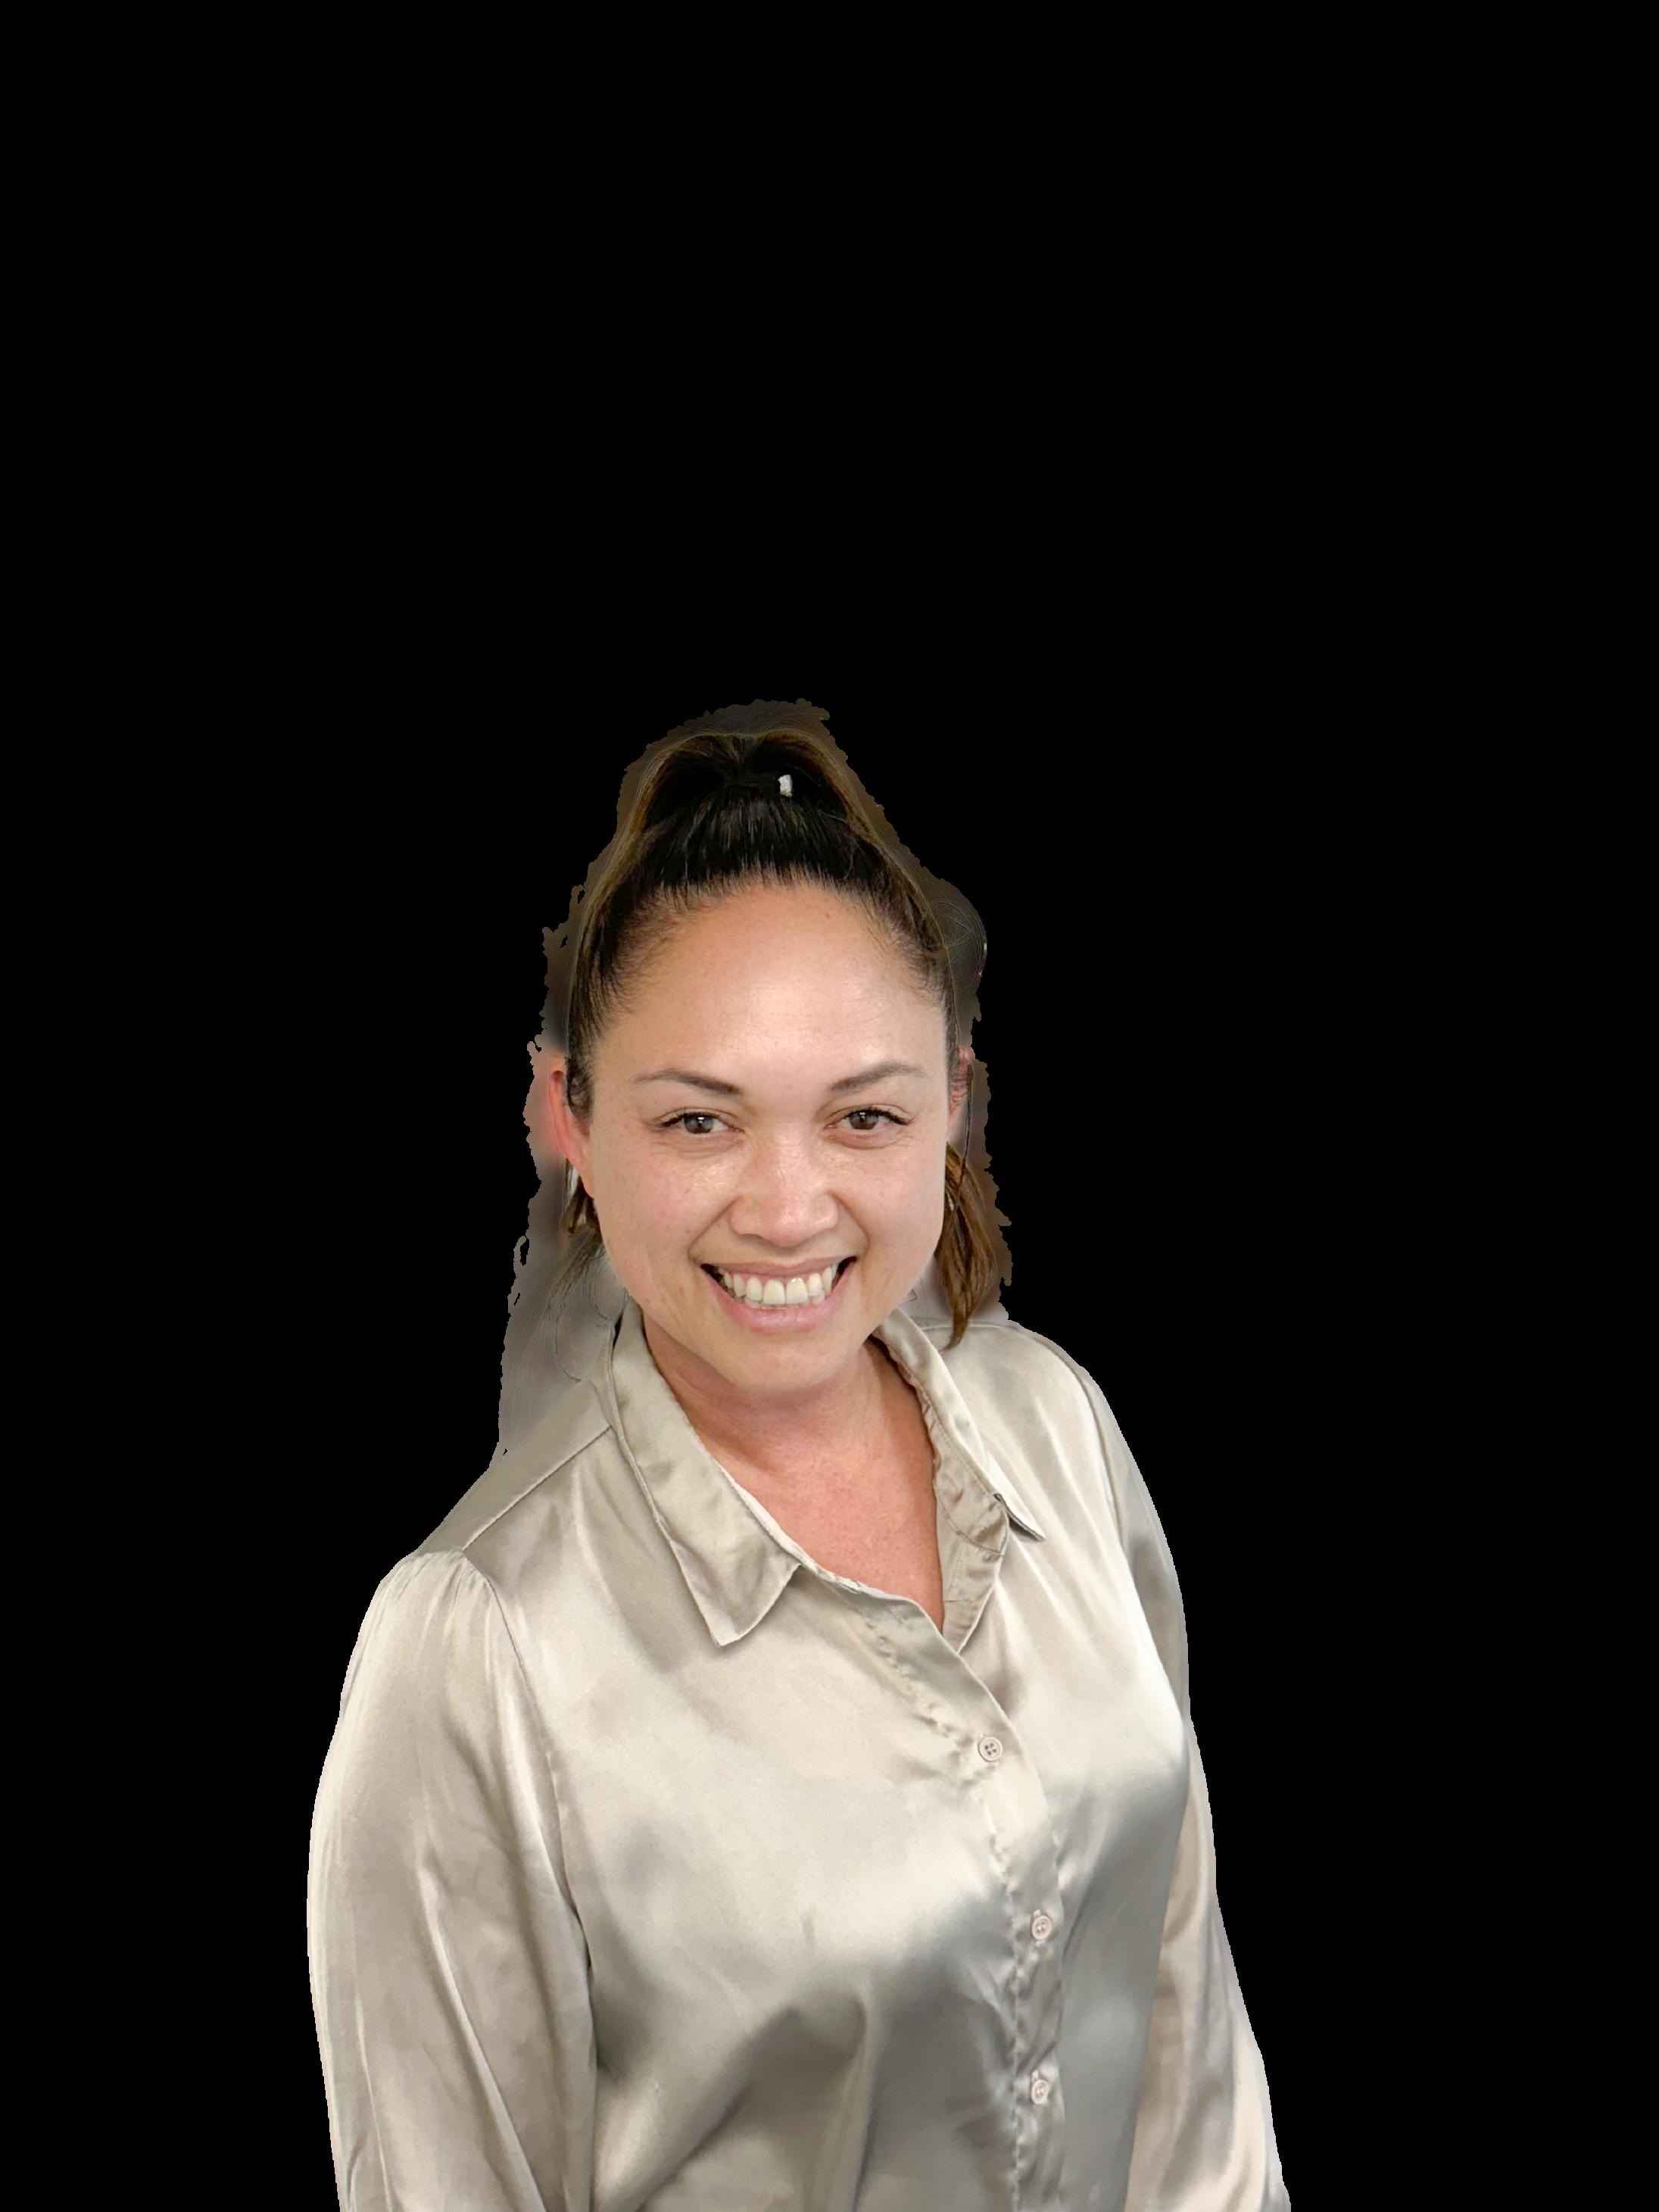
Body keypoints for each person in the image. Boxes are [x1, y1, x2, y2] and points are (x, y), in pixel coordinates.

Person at [307, 700, 1290, 2211]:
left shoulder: (1054, 1424)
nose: (787, 1209)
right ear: (571, 1119)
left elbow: (1186, 2032)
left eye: (863, 1116)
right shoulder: (476, 1649)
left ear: (952, 1101)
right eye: (702, 1122)